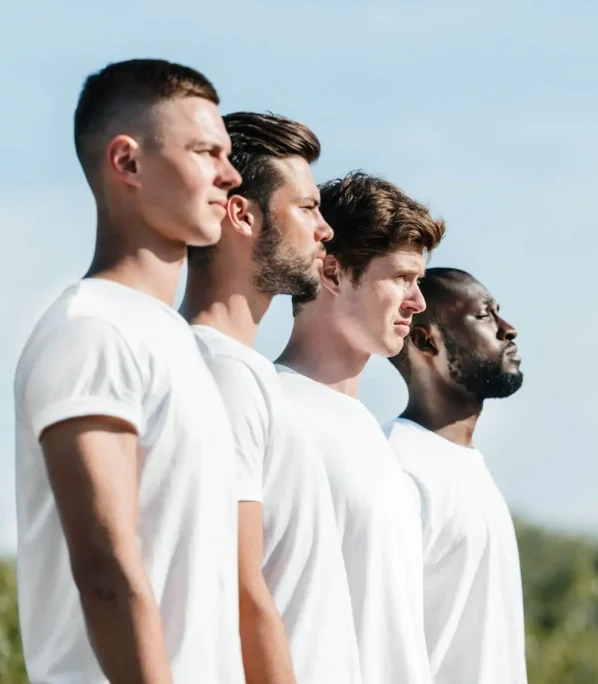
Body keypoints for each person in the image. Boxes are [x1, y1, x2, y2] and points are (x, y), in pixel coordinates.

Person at [13, 59, 245, 683]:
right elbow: (107, 573)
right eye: (205, 152)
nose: (231, 175)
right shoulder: (91, 330)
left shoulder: (171, 341)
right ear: (128, 162)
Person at [180, 111, 362, 684]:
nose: (325, 230)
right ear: (241, 213)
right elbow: (237, 587)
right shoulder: (220, 372)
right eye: (308, 208)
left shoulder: (241, 372)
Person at [274, 171, 445, 684]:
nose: (417, 302)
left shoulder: (374, 437)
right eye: (400, 278)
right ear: (331, 273)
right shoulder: (272, 410)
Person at [383, 267, 528, 684]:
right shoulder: (397, 465)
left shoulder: (465, 466)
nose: (509, 330)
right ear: (426, 340)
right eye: (485, 316)